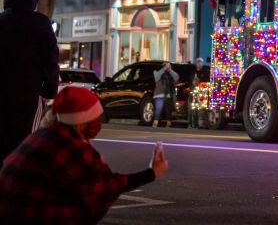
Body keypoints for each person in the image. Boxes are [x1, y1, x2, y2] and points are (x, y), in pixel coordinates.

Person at [0, 85, 168, 223]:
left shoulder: (41, 136)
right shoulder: (74, 150)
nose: (97, 124)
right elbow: (105, 187)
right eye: (94, 118)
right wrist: (152, 173)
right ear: (81, 121)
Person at [0, 0, 59, 159]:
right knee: (25, 141)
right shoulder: (40, 23)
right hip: (28, 93)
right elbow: (50, 58)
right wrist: (49, 90)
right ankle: (17, 180)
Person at [152, 62, 179, 127]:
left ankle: (168, 123)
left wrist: (170, 70)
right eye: (166, 66)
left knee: (168, 110)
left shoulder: (171, 74)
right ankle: (155, 122)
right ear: (163, 66)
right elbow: (156, 77)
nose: (168, 67)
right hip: (159, 94)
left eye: (169, 66)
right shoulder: (157, 72)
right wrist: (164, 69)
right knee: (158, 109)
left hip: (168, 94)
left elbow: (177, 77)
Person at [188, 57, 206, 129]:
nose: (199, 63)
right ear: (196, 63)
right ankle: (191, 124)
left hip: (201, 93)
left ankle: (199, 124)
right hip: (193, 94)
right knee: (191, 109)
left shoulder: (205, 72)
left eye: (200, 62)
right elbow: (190, 82)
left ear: (202, 63)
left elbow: (206, 81)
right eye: (198, 62)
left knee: (200, 109)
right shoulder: (193, 72)